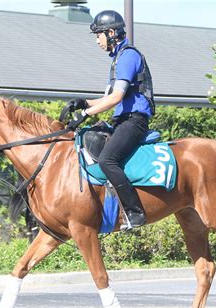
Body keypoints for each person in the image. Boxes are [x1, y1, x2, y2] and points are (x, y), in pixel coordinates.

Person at [66, 10, 155, 230]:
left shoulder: (128, 56)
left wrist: (85, 115)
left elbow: (116, 98)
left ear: (111, 32)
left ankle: (135, 213)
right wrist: (84, 103)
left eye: (99, 35)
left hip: (134, 121)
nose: (97, 40)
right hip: (122, 121)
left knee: (107, 160)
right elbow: (108, 98)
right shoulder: (118, 58)